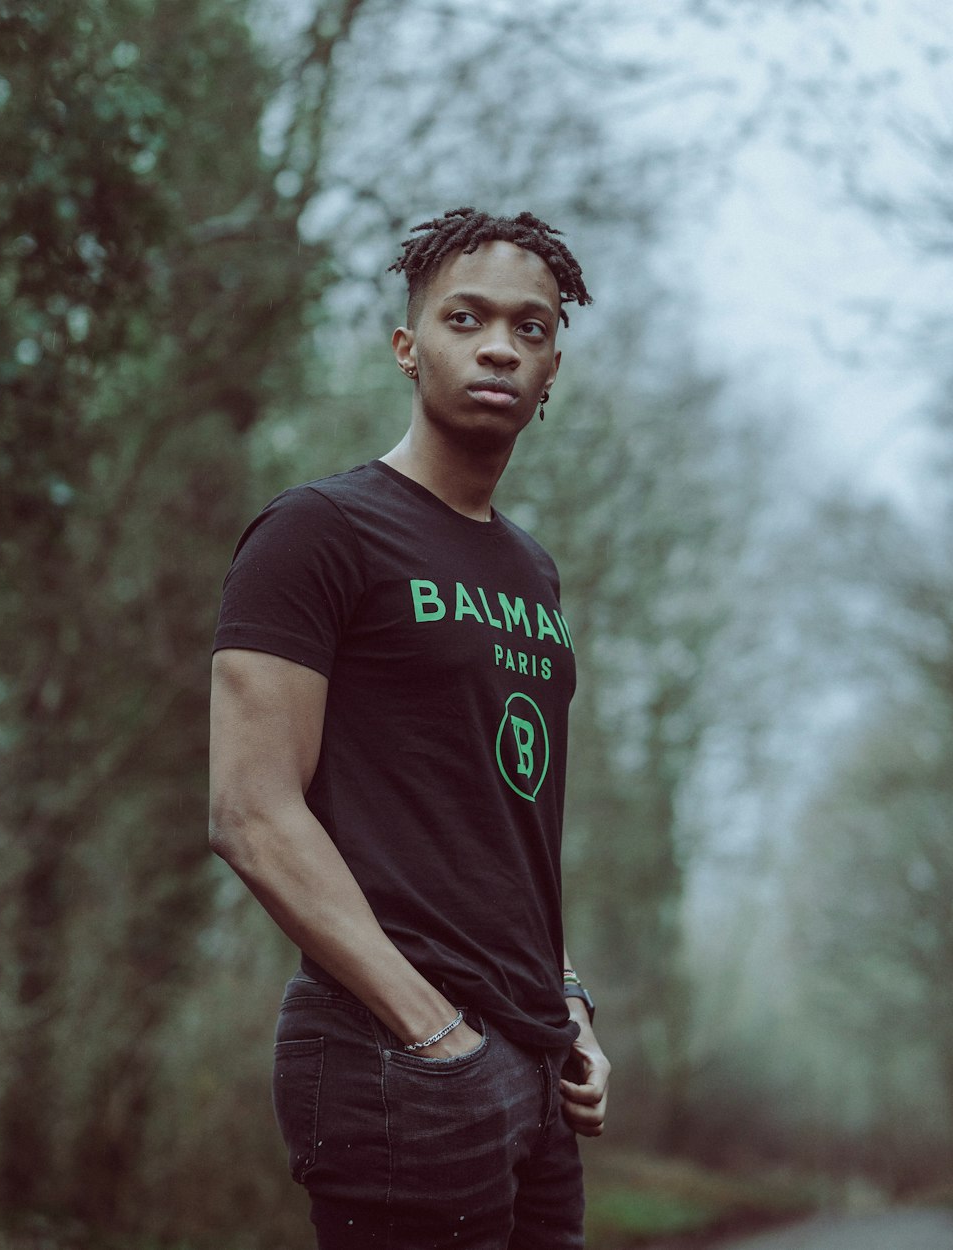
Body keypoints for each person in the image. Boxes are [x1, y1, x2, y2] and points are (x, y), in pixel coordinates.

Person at [209, 206, 610, 1250]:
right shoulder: (319, 531)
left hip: (530, 1062)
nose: (498, 346)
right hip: (393, 1056)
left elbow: (505, 819)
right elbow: (251, 813)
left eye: (529, 329)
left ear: (553, 368)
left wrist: (566, 1003)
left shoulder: (532, 573)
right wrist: (432, 1030)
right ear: (406, 345)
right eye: (465, 317)